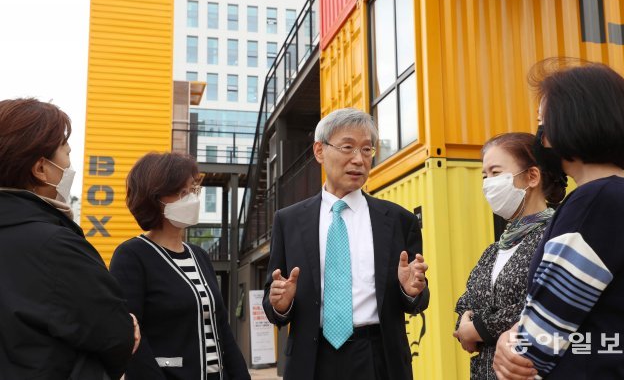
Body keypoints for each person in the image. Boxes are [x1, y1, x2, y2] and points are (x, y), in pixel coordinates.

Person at [492, 60, 624, 379]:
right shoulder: (620, 197)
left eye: (543, 123)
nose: (540, 138)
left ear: (573, 122)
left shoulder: (595, 202)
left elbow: (539, 342)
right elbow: (607, 338)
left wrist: (512, 343)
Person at [262, 108, 430, 380]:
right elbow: (274, 302)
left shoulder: (399, 220)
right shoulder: (288, 220)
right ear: (319, 151)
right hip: (311, 359)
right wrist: (281, 303)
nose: (359, 159)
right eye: (348, 147)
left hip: (379, 358)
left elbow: (418, 300)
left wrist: (410, 291)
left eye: (367, 150)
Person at [0, 98, 139, 380]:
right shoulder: (55, 244)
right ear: (40, 169)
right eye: (66, 154)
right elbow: (116, 335)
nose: (69, 166)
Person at [110, 152, 250, 380]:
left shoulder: (200, 256)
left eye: (193, 190)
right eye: (182, 193)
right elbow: (132, 338)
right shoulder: (132, 256)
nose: (192, 199)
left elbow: (221, 327)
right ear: (154, 199)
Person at [453, 132, 565, 379]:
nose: (488, 183)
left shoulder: (555, 238)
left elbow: (543, 305)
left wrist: (480, 329)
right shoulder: (494, 250)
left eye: (495, 173)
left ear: (532, 176)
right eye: (484, 175)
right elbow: (466, 301)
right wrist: (463, 322)